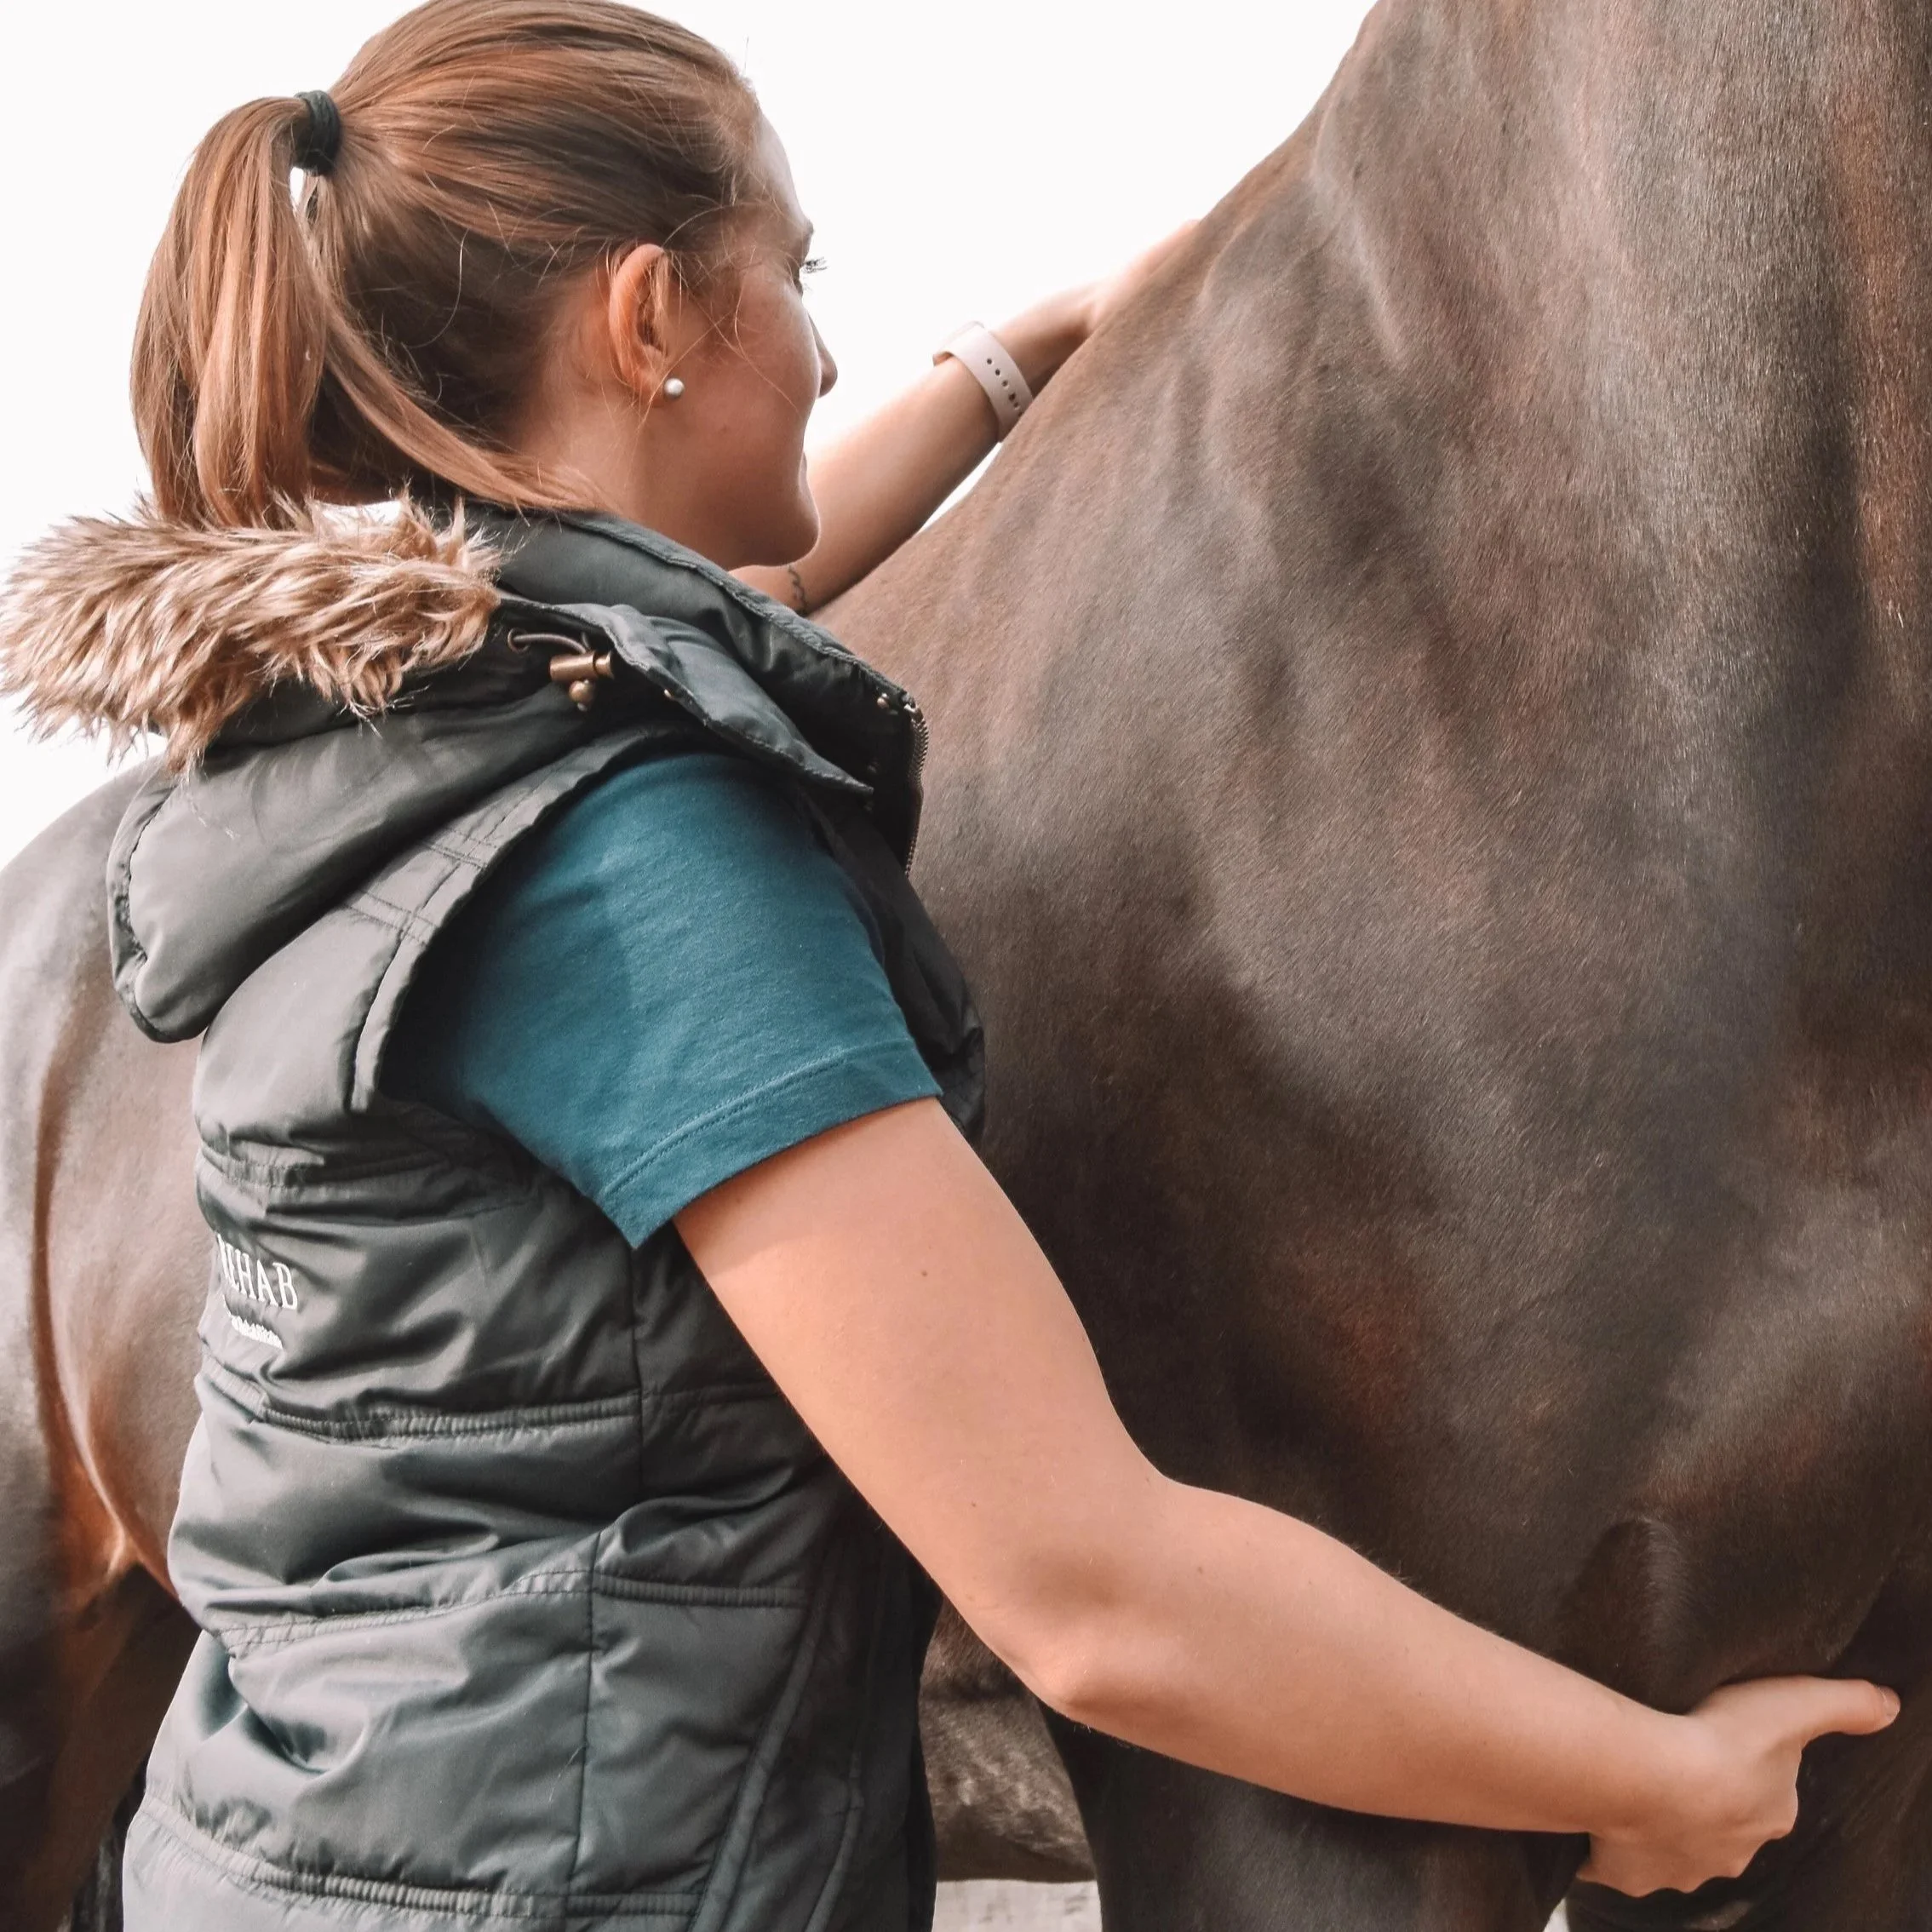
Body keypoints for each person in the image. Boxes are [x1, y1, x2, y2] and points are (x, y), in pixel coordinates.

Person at [0, 3, 1896, 1927]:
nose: (822, 348)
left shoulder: (398, 735)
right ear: (649, 321)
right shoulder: (642, 884)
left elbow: (739, 611)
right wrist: (1651, 1775)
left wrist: (1032, 356)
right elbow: (1094, 1591)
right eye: (791, 276)